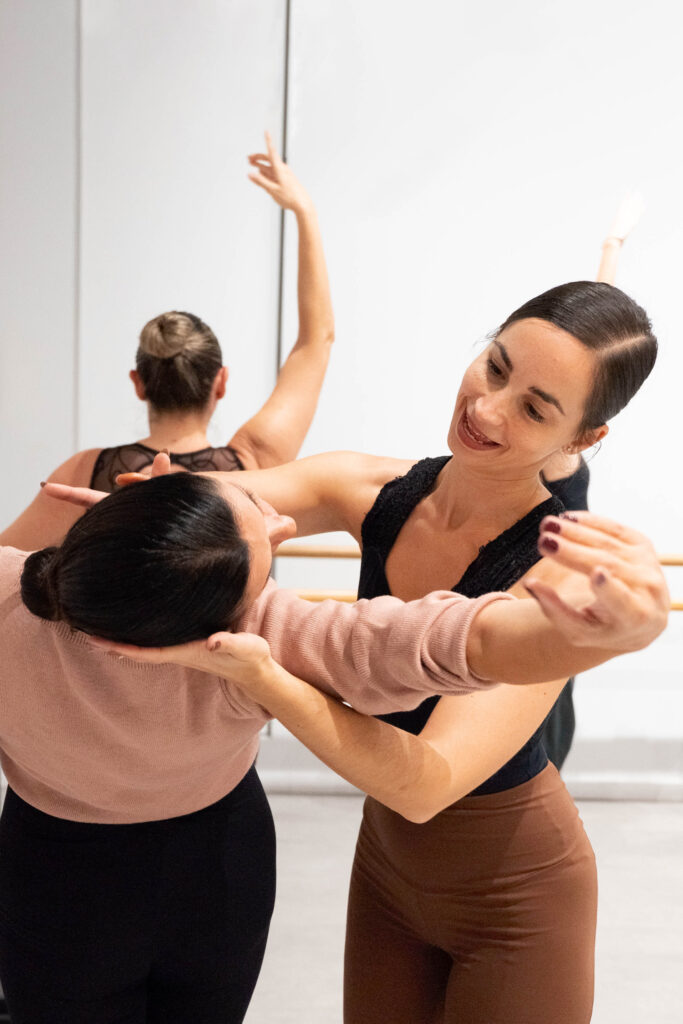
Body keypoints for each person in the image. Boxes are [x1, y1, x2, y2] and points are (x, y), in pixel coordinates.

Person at [89, 279, 662, 1023]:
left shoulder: (550, 577)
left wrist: (266, 674)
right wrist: (149, 497)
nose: (486, 409)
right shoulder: (370, 488)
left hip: (515, 893)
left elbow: (426, 784)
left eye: (533, 408)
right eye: (494, 367)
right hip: (387, 871)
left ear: (582, 441)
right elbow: (229, 496)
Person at [0, 464, 667, 1024]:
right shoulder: (254, 631)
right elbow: (434, 643)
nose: (282, 523)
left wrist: (119, 540)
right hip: (213, 871)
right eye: (264, 517)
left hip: (57, 876)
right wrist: (593, 638)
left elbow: (445, 641)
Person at [0, 132, 334, 551]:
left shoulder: (86, 472)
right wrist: (304, 211)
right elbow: (316, 341)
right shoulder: (256, 463)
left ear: (139, 383)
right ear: (221, 382)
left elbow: (4, 564)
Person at [541, 192, 645, 767]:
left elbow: (592, 348)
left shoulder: (558, 452)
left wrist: (612, 249)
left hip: (546, 625)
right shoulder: (543, 444)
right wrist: (611, 245)